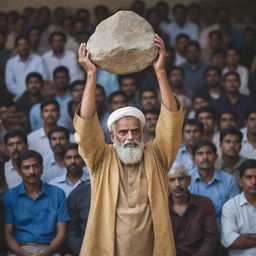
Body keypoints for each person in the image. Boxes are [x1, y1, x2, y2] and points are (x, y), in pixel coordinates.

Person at [74, 35, 184, 255]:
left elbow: (171, 121)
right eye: (123, 132)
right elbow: (86, 127)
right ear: (113, 137)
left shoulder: (157, 155)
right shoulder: (100, 158)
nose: (130, 137)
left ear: (143, 133)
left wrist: (160, 72)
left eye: (135, 131)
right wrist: (91, 74)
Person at [3, 150, 70, 255]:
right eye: (26, 168)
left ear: (42, 169)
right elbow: (7, 234)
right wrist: (23, 254)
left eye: (36, 166)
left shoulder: (57, 194)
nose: (32, 172)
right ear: (20, 171)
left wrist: (46, 253)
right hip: (19, 250)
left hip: (50, 249)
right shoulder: (9, 196)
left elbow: (61, 232)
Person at [168, 163, 220, 256]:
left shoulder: (205, 204)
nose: (177, 184)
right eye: (172, 180)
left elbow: (211, 239)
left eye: (181, 178)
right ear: (165, 184)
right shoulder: (161, 208)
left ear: (189, 180)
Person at [189, 139, 239, 224]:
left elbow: (234, 211)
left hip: (222, 227)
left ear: (216, 157)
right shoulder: (187, 180)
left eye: (209, 153)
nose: (205, 157)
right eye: (200, 154)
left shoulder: (229, 180)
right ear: (193, 158)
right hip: (193, 227)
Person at [221, 159, 256, 256]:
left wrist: (245, 237)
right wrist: (237, 239)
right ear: (240, 181)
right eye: (249, 177)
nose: (254, 181)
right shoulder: (230, 206)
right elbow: (231, 242)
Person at [5, 35, 46, 100]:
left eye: (25, 44)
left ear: (30, 46)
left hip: (37, 97)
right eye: (20, 45)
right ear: (16, 48)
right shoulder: (11, 62)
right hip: (18, 98)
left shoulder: (38, 60)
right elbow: (10, 84)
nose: (23, 47)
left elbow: (43, 77)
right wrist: (25, 93)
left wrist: (31, 92)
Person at [67, 181, 91, 256]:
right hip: (83, 250)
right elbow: (71, 231)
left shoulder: (122, 192)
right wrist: (83, 252)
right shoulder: (78, 193)